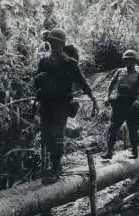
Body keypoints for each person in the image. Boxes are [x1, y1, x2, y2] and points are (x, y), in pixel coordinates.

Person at [33, 28, 98, 183]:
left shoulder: (70, 63)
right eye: (51, 43)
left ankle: (56, 168)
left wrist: (93, 98)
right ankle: (52, 166)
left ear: (62, 45)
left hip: (61, 104)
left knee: (58, 137)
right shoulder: (44, 62)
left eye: (56, 43)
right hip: (46, 103)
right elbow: (37, 82)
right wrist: (38, 79)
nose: (53, 46)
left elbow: (82, 82)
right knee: (47, 136)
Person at [102, 50, 139, 160]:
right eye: (127, 60)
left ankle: (134, 151)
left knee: (132, 129)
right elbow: (111, 83)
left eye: (131, 61)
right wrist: (107, 96)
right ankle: (109, 151)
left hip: (132, 104)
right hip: (119, 104)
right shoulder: (119, 72)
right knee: (113, 128)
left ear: (135, 61)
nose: (129, 63)